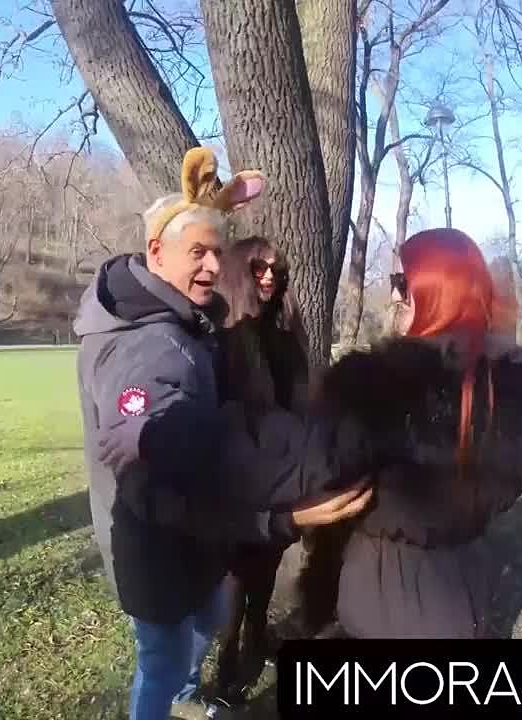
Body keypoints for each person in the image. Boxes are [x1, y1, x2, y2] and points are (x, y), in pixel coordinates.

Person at [74, 147, 372, 720]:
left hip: (195, 547)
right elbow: (160, 476)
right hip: (159, 552)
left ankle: (188, 696)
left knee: (198, 632)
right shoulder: (149, 347)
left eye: (217, 252)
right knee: (161, 663)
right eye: (198, 253)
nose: (212, 266)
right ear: (156, 252)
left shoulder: (183, 325)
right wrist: (280, 514)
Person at [296, 227, 522, 638]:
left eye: (402, 282)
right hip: (463, 594)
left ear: (437, 290)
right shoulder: (509, 393)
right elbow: (506, 493)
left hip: (379, 598)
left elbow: (321, 478)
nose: (394, 296)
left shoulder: (373, 389)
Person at [210, 236, 310, 705]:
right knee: (237, 568)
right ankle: (226, 659)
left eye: (276, 269)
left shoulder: (286, 330)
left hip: (281, 468)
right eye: (259, 268)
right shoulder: (225, 335)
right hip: (240, 472)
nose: (270, 276)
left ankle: (256, 635)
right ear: (239, 273)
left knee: (269, 559)